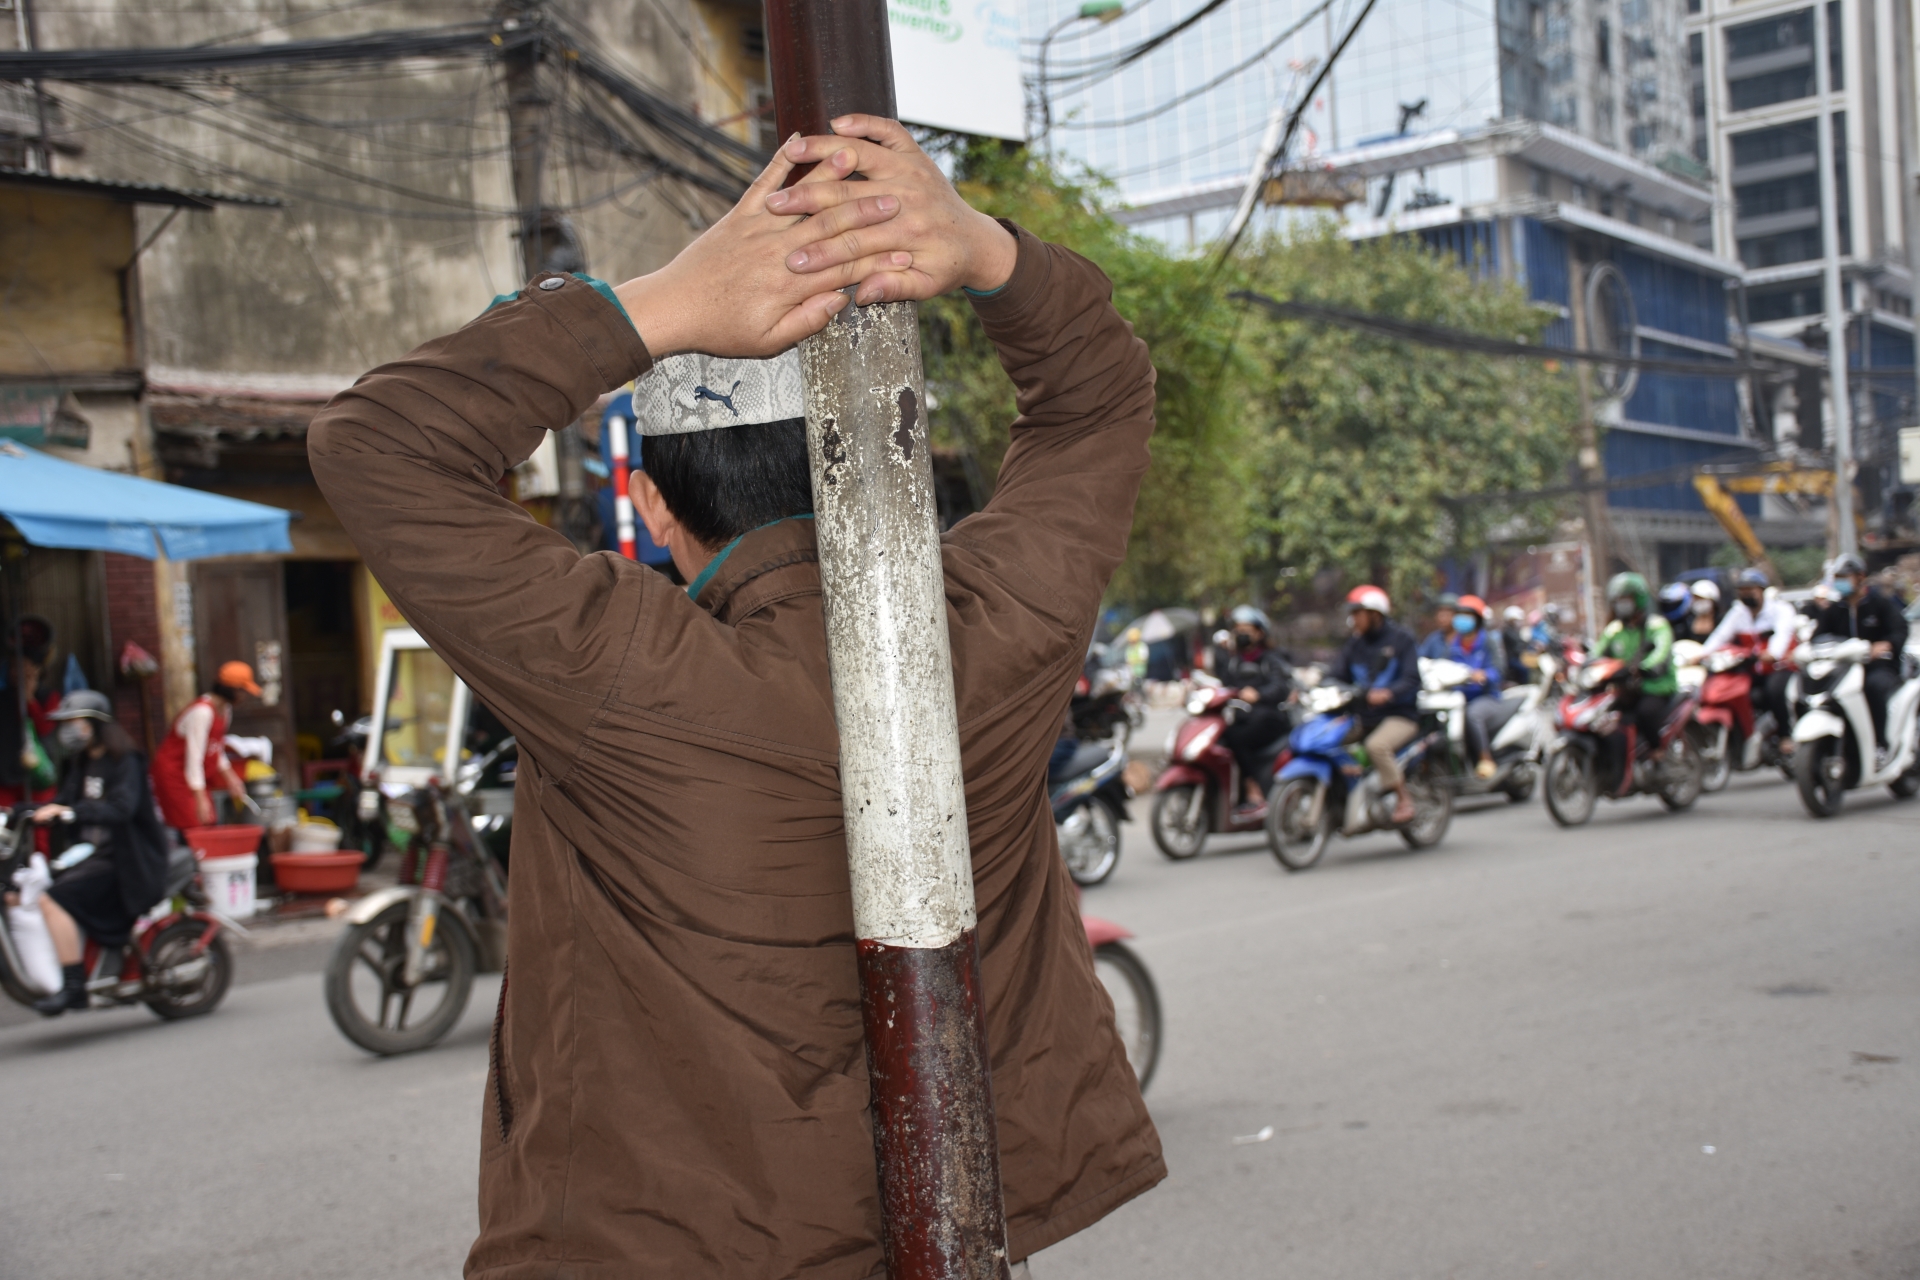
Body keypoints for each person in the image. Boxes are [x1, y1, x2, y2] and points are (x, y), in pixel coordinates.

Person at [309, 117, 1162, 1276]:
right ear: (894, 453)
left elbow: (380, 444)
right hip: (951, 1237)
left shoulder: (616, 668)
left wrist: (655, 305)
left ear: (657, 507)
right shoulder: (994, 625)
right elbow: (1098, 401)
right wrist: (977, 247)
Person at [9, 691, 168, 1016]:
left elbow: (120, 809)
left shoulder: (127, 761)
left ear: (95, 725)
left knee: (52, 899)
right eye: (65, 724)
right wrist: (17, 812)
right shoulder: (83, 763)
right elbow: (62, 802)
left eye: (74, 723)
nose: (68, 730)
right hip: (93, 855)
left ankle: (73, 986)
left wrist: (70, 814)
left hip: (127, 860)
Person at [1810, 553, 1910, 764]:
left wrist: (1886, 644)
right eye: (1837, 576)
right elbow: (1817, 638)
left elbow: (1899, 629)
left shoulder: (1880, 604)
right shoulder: (1834, 610)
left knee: (1872, 688)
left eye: (1845, 576)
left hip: (1879, 667)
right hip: (1844, 670)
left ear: (1860, 576)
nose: (1841, 581)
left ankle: (1880, 745)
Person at [1336, 585, 1422, 824]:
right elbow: (1337, 674)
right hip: (1363, 716)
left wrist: (1388, 693)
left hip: (1400, 715)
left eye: (1357, 613)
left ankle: (1403, 798)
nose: (1353, 620)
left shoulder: (1402, 639)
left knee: (1377, 746)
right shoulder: (1354, 643)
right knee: (1327, 742)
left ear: (1374, 614)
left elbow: (1412, 679)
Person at [150, 662, 257, 832]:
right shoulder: (202, 712)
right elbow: (194, 758)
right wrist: (200, 799)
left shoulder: (225, 710)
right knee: (194, 823)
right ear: (231, 689)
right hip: (175, 774)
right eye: (243, 691)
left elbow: (215, 748)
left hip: (193, 777)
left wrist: (231, 779)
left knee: (208, 820)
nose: (244, 696)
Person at [1211, 604, 1293, 811]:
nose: (1240, 634)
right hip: (1242, 716)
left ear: (1259, 633)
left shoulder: (1271, 659)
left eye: (1245, 630)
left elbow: (1281, 687)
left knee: (1235, 737)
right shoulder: (1233, 661)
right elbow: (1224, 685)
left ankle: (1252, 786)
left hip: (1271, 717)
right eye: (1237, 630)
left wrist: (1258, 695)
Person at [1594, 573, 1678, 773]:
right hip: (1625, 689)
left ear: (1638, 599)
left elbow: (1661, 652)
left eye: (1625, 599)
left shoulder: (1656, 625)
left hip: (1656, 686)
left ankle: (1658, 755)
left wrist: (1645, 667)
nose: (1621, 605)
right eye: (1617, 601)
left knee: (1645, 713)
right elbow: (1596, 654)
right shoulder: (1614, 630)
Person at [1704, 567, 1799, 733]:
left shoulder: (1781, 610)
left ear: (1761, 591)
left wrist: (1772, 653)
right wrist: (1701, 654)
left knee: (1774, 691)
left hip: (1779, 668)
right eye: (1742, 590)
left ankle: (1786, 735)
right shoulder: (1738, 612)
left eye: (1750, 590)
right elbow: (1720, 636)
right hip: (1751, 668)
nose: (1746, 594)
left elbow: (1781, 637)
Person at [0, 615, 61, 811]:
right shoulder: (3, 698)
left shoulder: (49, 698)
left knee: (39, 834)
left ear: (36, 671)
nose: (17, 673)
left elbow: (46, 730)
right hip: (6, 777)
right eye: (14, 668)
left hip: (38, 776)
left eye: (24, 668)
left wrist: (29, 700)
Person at [1447, 595, 1507, 779]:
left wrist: (1484, 675)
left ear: (1477, 619)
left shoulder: (1488, 641)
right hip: (1458, 698)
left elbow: (1499, 670)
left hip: (1487, 697)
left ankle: (1485, 758)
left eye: (1467, 615)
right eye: (1459, 614)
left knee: (1473, 715)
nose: (1462, 619)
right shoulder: (1453, 644)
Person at [1417, 592, 1460, 660]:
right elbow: (1421, 657)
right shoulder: (1434, 639)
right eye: (1440, 614)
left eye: (1447, 614)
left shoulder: (1464, 638)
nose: (1442, 618)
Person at [1498, 605, 1532, 686]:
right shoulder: (1507, 632)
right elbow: (1517, 645)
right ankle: (1525, 686)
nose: (1518, 622)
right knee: (1524, 669)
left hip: (1518, 657)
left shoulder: (1515, 631)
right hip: (1512, 659)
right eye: (1515, 620)